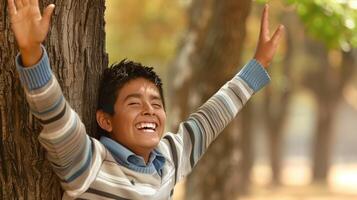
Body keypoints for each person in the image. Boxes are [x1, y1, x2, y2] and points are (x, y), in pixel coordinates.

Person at [8, 0, 284, 199]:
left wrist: (258, 64)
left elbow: (210, 118)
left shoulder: (167, 160)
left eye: (156, 103)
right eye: (134, 103)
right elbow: (55, 115)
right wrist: (32, 53)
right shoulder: (89, 164)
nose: (149, 111)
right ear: (105, 119)